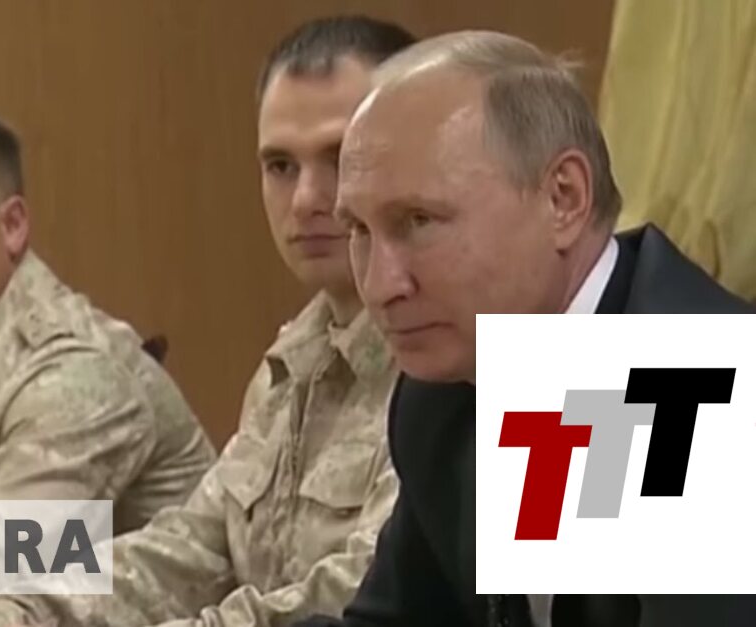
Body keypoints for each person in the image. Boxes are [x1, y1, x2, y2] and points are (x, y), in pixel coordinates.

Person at [299, 30, 756, 627]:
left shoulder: (696, 381)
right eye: (359, 230)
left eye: (418, 220)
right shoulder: (443, 395)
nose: (381, 286)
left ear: (563, 198)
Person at [0, 16, 414, 627]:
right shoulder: (297, 361)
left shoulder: (517, 362)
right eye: (280, 166)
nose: (308, 199)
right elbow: (191, 550)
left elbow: (380, 600)